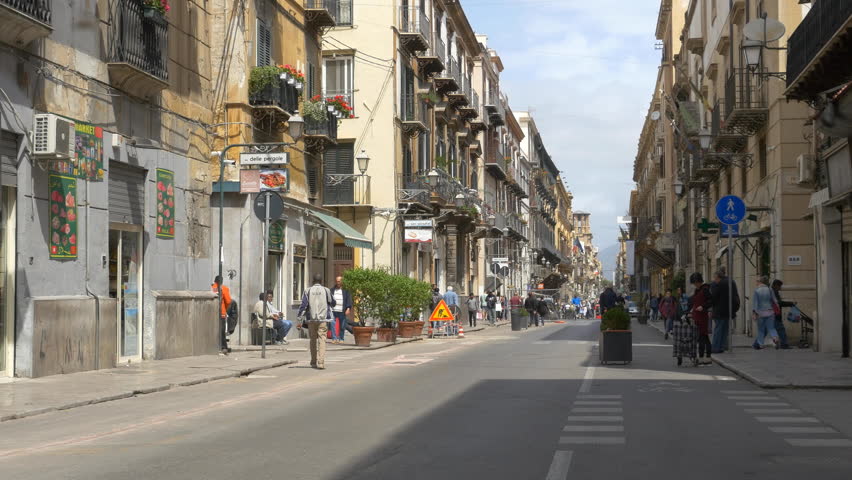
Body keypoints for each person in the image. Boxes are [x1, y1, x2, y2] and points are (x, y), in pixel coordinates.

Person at [298, 273, 335, 369]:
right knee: (322, 339)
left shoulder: (308, 290)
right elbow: (333, 302)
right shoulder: (326, 290)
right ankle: (321, 362)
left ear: (313, 281)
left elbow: (303, 305)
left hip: (311, 319)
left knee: (313, 340)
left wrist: (299, 318)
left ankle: (313, 361)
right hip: (323, 319)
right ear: (321, 281)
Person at [710, 268, 740, 353]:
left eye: (715, 278)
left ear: (718, 277)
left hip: (719, 310)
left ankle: (716, 347)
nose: (714, 280)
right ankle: (722, 347)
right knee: (725, 330)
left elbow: (714, 297)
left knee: (718, 329)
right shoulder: (731, 281)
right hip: (729, 310)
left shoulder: (719, 284)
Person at [689, 273, 713, 365]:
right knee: (704, 337)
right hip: (696, 316)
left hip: (703, 316)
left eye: (696, 283)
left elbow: (711, 301)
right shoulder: (697, 290)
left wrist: (703, 307)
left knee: (702, 337)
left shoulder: (705, 289)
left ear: (699, 281)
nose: (695, 285)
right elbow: (695, 302)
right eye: (694, 283)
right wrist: (691, 311)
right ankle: (707, 358)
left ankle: (703, 357)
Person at [752, 276, 780, 350]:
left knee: (761, 329)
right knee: (771, 327)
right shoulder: (770, 289)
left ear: (760, 281)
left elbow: (755, 303)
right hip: (770, 312)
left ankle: (761, 344)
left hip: (760, 312)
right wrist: (777, 308)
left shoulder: (756, 290)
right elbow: (775, 300)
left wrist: (754, 312)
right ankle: (775, 338)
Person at [771, 280, 795, 349]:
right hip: (775, 314)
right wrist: (790, 303)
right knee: (781, 329)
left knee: (775, 330)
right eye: (779, 286)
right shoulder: (774, 293)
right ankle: (784, 344)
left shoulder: (773, 292)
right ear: (776, 285)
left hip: (773, 314)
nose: (780, 288)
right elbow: (779, 303)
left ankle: (777, 343)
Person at [211, 275, 232, 353]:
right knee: (221, 330)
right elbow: (228, 301)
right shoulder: (224, 288)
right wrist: (225, 308)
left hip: (211, 313)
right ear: (222, 281)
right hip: (221, 312)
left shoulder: (211, 287)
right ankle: (223, 346)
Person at [329, 276, 352, 344]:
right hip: (333, 310)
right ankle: (334, 338)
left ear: (342, 282)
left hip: (342, 310)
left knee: (342, 325)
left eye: (339, 281)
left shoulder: (346, 290)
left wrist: (348, 308)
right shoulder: (332, 290)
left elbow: (349, 300)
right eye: (336, 281)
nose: (337, 283)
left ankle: (341, 338)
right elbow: (329, 299)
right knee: (332, 324)